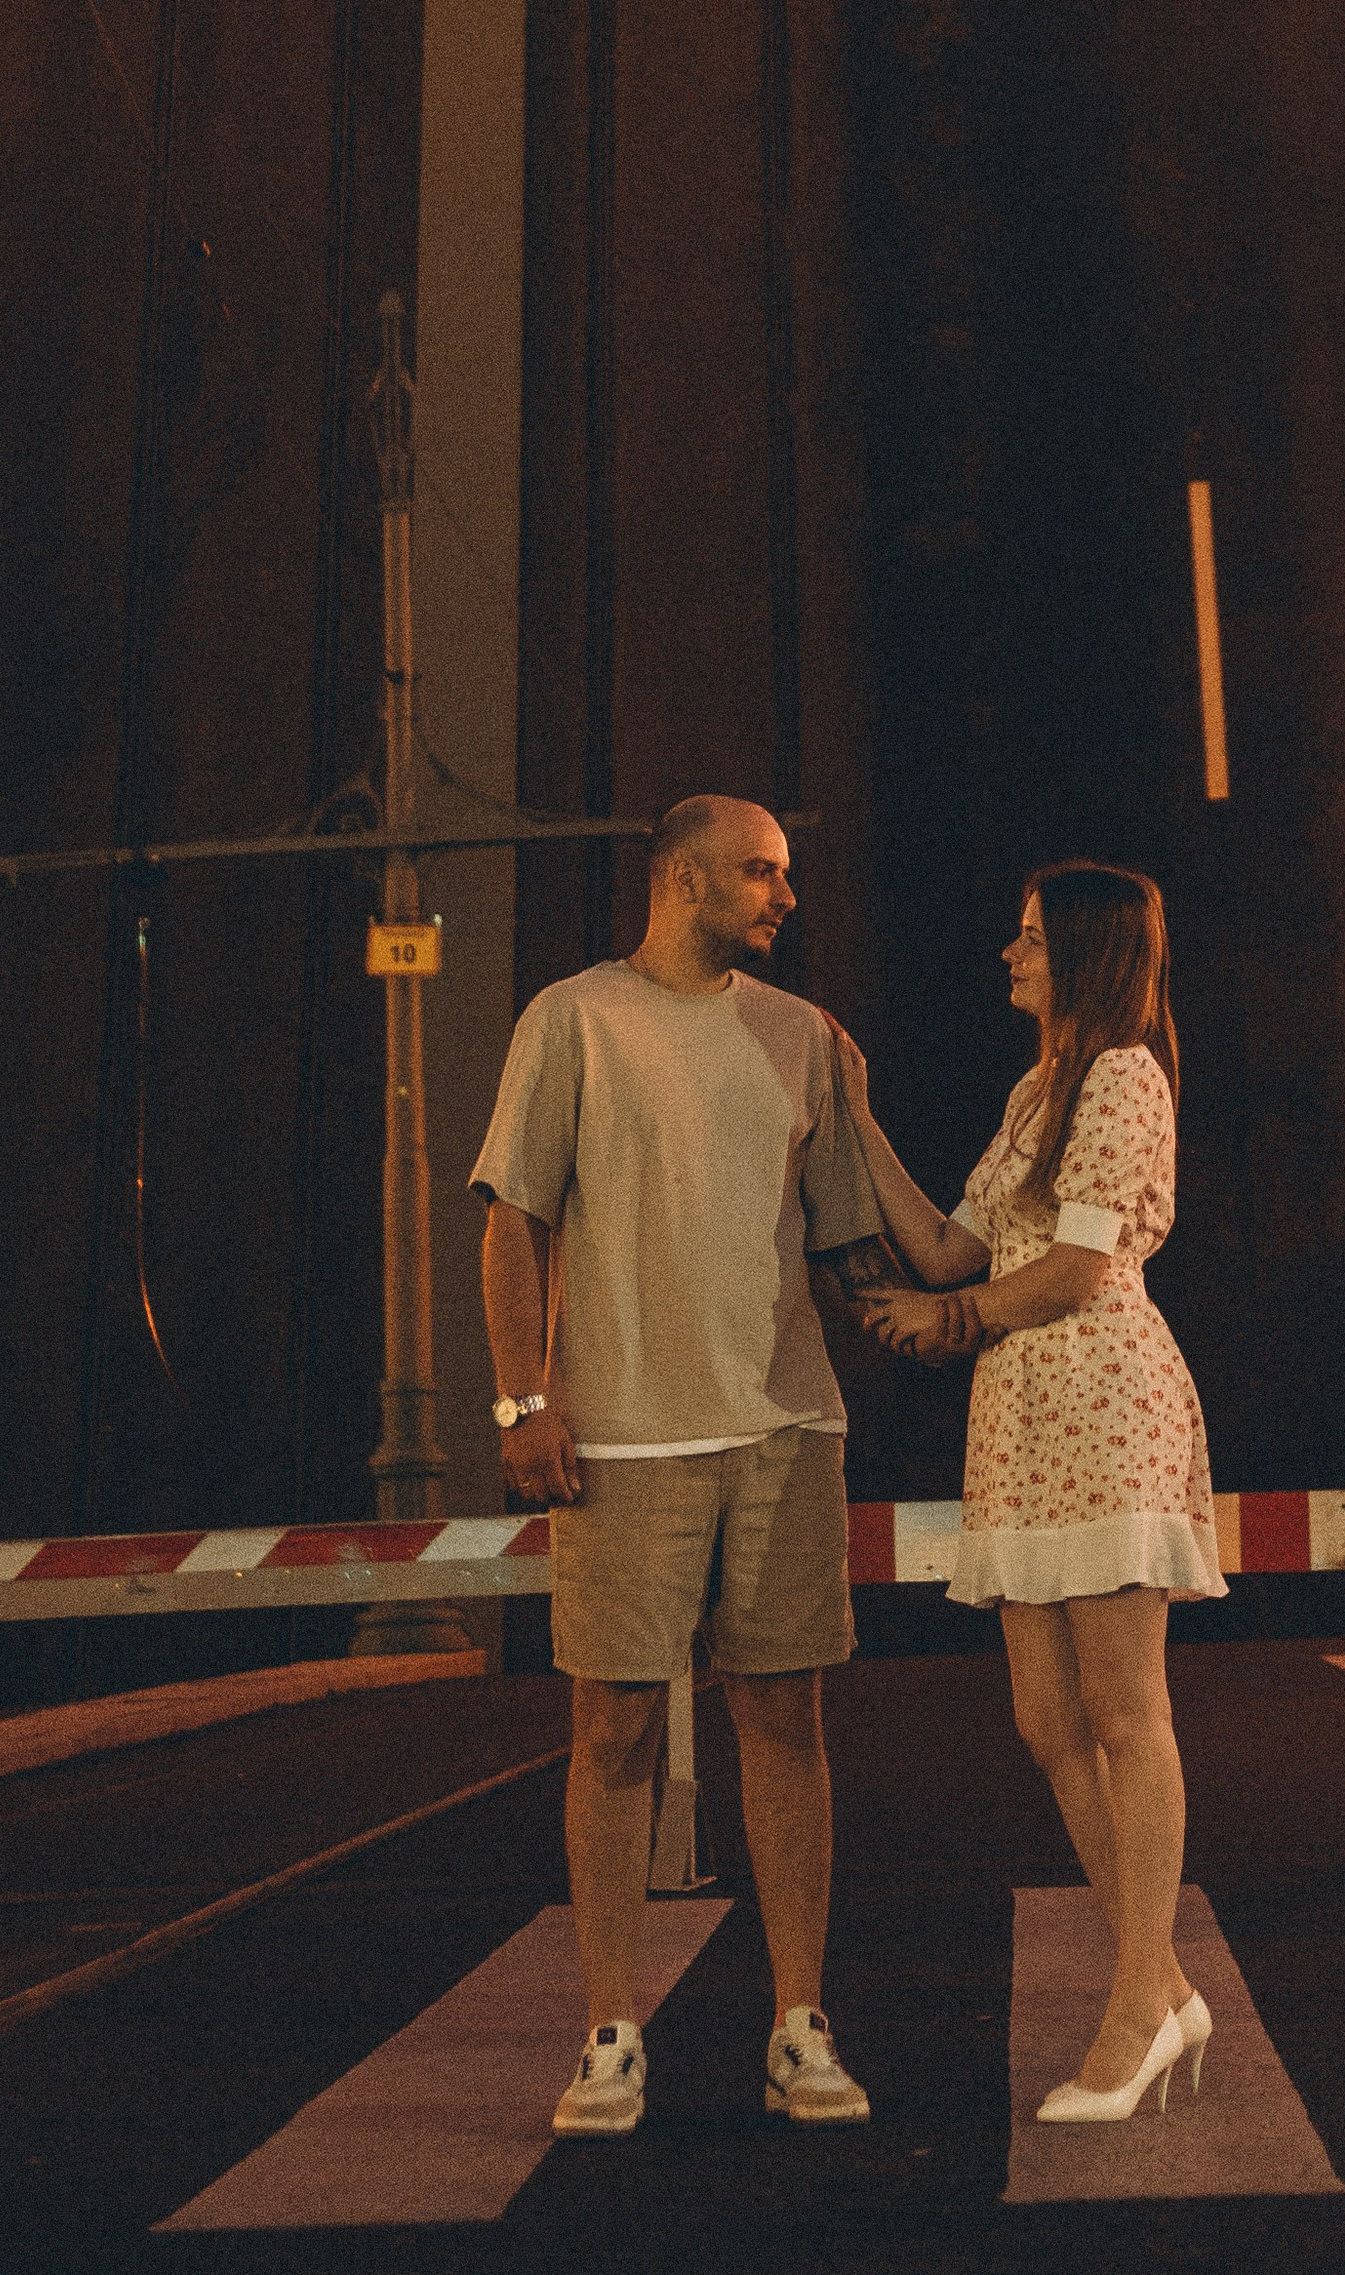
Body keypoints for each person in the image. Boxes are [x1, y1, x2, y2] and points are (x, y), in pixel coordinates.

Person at [470, 794, 895, 2141]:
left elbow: (850, 1242)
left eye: (786, 876)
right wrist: (524, 1398)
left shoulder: (805, 1037)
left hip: (783, 1431)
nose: (784, 897)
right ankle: (610, 2032)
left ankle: (799, 2023)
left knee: (787, 1723)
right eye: (763, 874)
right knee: (614, 1732)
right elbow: (512, 1218)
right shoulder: (571, 1019)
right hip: (622, 1439)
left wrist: (988, 1298)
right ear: (688, 880)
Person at [846, 861, 1224, 2123]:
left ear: (1083, 954)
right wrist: (854, 1123)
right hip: (1019, 1416)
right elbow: (958, 1243)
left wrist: (947, 1320)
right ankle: (1159, 1979)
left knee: (1125, 1708)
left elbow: (1068, 1270)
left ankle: (1134, 2010)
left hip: (1102, 1396)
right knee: (1045, 1717)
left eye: (1027, 938)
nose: (1008, 955)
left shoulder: (1124, 1076)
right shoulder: (1034, 1089)